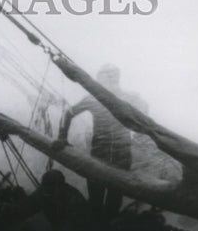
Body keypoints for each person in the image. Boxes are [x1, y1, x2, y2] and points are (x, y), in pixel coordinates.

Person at [57, 64, 146, 219]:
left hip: (121, 154)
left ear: (118, 78)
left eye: (113, 76)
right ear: (99, 79)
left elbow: (145, 112)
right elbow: (68, 113)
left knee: (114, 200)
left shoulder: (129, 97)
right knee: (96, 199)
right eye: (106, 76)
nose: (110, 79)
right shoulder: (93, 98)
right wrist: (62, 137)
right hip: (100, 153)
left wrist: (141, 115)